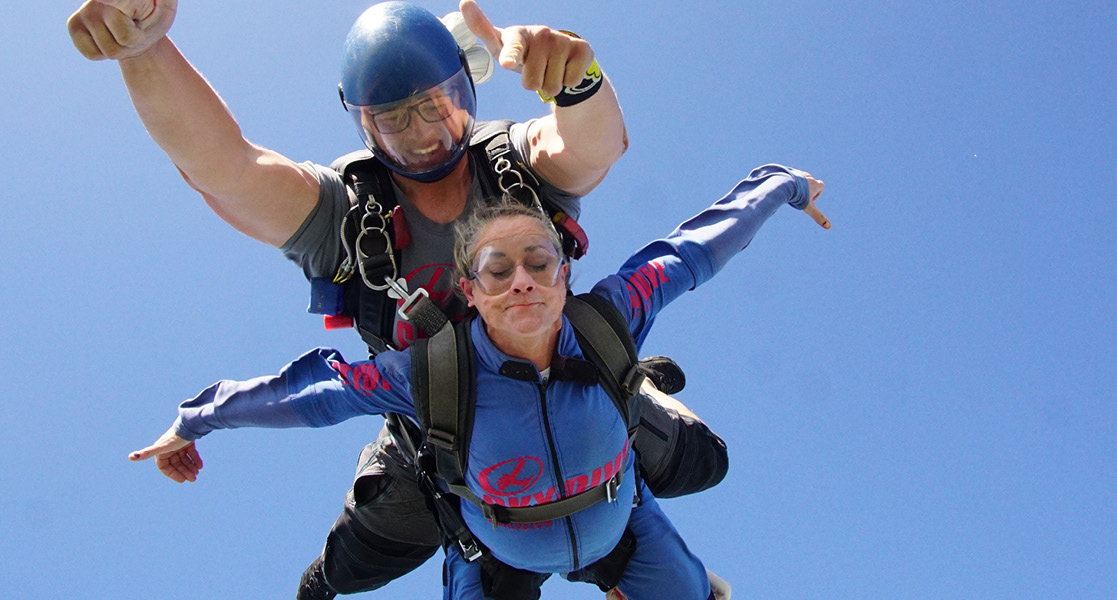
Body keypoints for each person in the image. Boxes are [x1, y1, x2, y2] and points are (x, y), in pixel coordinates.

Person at [67, 1, 772, 597]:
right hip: (441, 433)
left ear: (467, 91)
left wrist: (577, 79)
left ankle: (634, 399)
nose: (427, 134)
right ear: (365, 128)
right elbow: (227, 168)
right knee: (349, 564)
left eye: (439, 107)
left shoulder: (516, 164)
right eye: (396, 121)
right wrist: (147, 50)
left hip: (578, 390)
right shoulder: (345, 213)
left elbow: (593, 146)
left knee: (700, 461)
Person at [131, 164, 828, 600]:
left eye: (539, 261)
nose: (522, 279)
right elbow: (313, 393)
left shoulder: (612, 315)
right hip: (493, 551)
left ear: (564, 274)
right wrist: (196, 419)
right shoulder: (433, 370)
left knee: (698, 557)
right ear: (471, 286)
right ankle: (328, 576)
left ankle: (638, 402)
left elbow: (700, 246)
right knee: (358, 559)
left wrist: (787, 186)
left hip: (621, 520)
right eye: (499, 268)